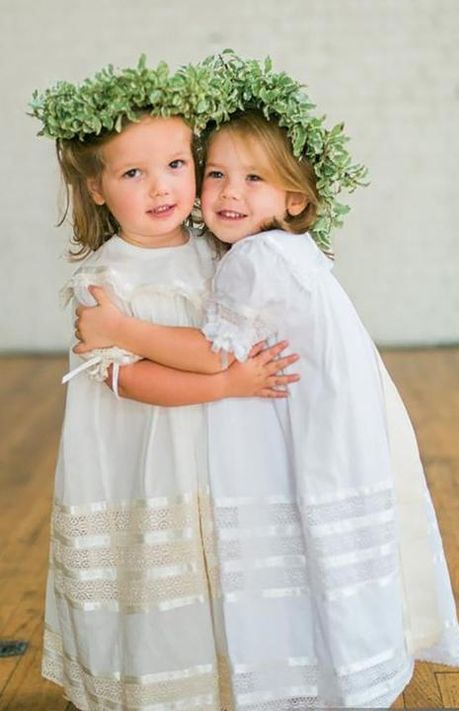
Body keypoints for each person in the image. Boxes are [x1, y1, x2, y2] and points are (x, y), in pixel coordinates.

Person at [74, 54, 459, 708]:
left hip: (306, 430)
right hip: (332, 425)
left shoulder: (254, 258)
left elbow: (208, 354)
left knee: (299, 545)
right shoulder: (285, 251)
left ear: (294, 196)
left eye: (253, 178)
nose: (229, 193)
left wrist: (119, 327)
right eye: (218, 174)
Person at [31, 58, 301, 711]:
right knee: (152, 566)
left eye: (177, 164)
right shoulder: (105, 281)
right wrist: (229, 380)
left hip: (214, 449)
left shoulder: (220, 253)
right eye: (133, 172)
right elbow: (138, 381)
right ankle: (152, 687)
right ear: (95, 187)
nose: (161, 186)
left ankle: (229, 681)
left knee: (217, 561)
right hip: (139, 455)